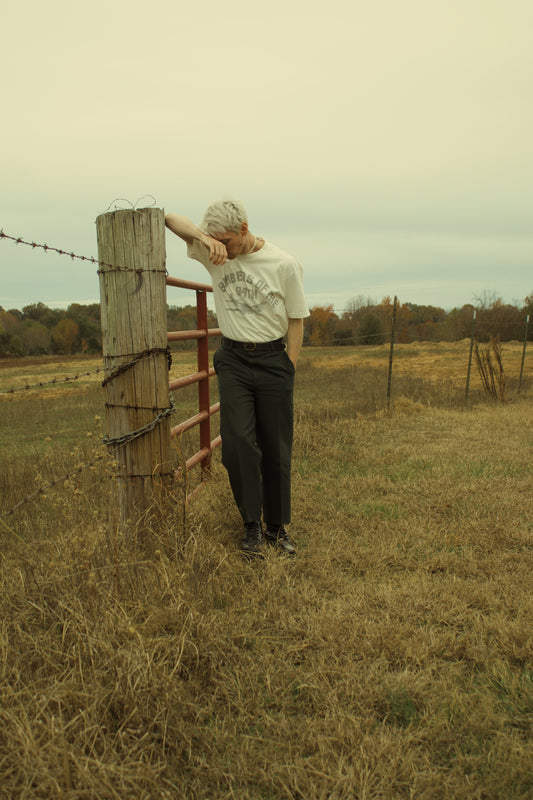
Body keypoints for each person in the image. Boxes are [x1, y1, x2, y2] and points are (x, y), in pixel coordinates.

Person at [165, 198, 309, 558]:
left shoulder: (284, 264)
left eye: (226, 241)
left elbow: (296, 319)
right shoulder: (216, 253)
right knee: (238, 442)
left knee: (276, 446)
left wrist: (289, 366)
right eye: (216, 242)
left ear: (244, 229)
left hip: (274, 359)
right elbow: (169, 218)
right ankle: (251, 526)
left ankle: (277, 528)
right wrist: (205, 238)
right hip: (233, 360)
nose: (222, 249)